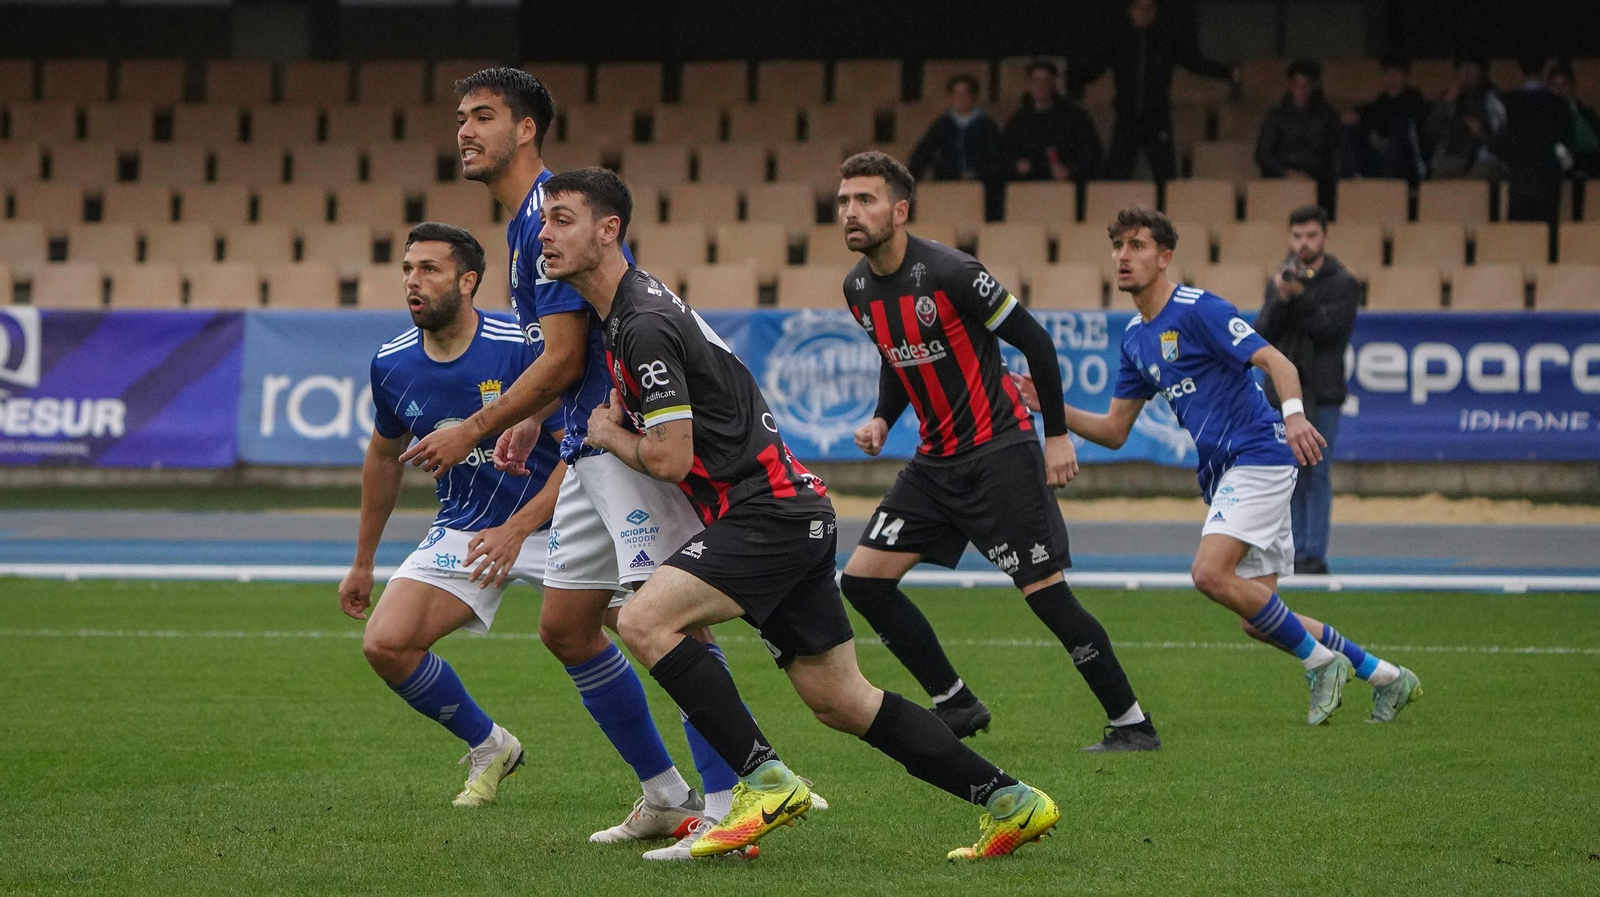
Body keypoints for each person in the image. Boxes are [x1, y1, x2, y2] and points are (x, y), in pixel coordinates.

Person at [541, 165, 1061, 861]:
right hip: (793, 511)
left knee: (642, 617)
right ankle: (1011, 799)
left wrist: (609, 437)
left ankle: (765, 780)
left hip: (768, 514)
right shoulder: (635, 314)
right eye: (544, 220)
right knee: (841, 698)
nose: (544, 234)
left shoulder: (642, 322)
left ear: (609, 231)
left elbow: (669, 457)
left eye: (562, 219)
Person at [395, 67, 754, 857]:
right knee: (567, 625)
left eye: (483, 116)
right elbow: (566, 352)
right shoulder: (529, 220)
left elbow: (564, 358)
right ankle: (666, 796)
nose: (464, 130)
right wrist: (537, 421)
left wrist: (481, 426)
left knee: (669, 620)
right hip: (586, 441)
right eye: (460, 116)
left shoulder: (547, 216)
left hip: (620, 442)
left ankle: (735, 801)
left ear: (526, 130)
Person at [1015, 207, 1421, 726]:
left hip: (1260, 453)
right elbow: (1116, 431)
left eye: (1136, 245)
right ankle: (1388, 676)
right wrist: (1049, 407)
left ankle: (1322, 664)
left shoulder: (1198, 309)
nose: (1122, 256)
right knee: (1259, 618)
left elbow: (1279, 362)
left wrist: (1294, 417)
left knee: (1208, 573)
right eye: (1117, 245)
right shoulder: (1136, 339)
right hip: (1226, 470)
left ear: (1164, 258)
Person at [830, 151, 1157, 752]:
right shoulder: (857, 288)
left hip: (998, 455)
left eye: (866, 200)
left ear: (900, 210)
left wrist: (1055, 433)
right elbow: (895, 354)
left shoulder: (953, 272)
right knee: (863, 582)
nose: (851, 211)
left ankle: (1133, 723)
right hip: (933, 466)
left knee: (1047, 596)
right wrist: (882, 417)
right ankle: (955, 702)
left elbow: (1036, 341)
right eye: (845, 200)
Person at [339, 223, 562, 808]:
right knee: (386, 643)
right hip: (468, 527)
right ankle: (491, 746)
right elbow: (383, 457)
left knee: (661, 631)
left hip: (564, 519)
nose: (413, 281)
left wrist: (521, 528)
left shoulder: (524, 343)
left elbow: (581, 447)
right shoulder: (390, 364)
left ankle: (751, 769)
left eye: (429, 269)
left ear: (468, 281)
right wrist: (363, 563)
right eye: (408, 269)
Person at [1255, 206, 1359, 575]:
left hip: (1324, 391)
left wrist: (1299, 298)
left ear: (1324, 237)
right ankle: (1293, 552)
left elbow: (1331, 333)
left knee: (1317, 471)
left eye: (1311, 235)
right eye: (1297, 236)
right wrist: (1283, 297)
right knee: (1290, 473)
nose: (1304, 243)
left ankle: (1314, 554)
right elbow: (1263, 334)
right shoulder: (1281, 277)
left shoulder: (1343, 282)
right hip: (1284, 393)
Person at [1069, 0, 1239, 181]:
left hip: (1157, 118)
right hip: (1127, 118)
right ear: (1131, 11)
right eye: (1139, 8)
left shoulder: (1166, 41)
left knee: (1165, 175)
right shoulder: (1119, 41)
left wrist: (1228, 72)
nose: (1144, 12)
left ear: (1156, 11)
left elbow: (1195, 63)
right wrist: (1072, 84)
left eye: (1149, 8)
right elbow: (1094, 66)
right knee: (1116, 175)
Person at [907, 73, 1006, 220]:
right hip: (947, 185)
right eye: (956, 94)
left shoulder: (986, 125)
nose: (960, 98)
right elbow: (922, 155)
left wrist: (977, 173)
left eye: (965, 94)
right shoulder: (942, 125)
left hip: (981, 188)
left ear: (973, 97)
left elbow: (997, 160)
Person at [1255, 60, 1341, 213]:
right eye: (1296, 84)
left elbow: (1335, 152)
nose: (1301, 90)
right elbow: (1262, 155)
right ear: (1289, 85)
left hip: (1317, 182)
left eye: (1306, 85)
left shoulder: (1327, 115)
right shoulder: (1276, 116)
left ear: (1314, 87)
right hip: (1282, 178)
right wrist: (1287, 173)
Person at [1495, 58, 1574, 224]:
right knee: (1544, 239)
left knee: (1520, 238)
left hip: (1519, 180)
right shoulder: (1559, 104)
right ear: (1545, 70)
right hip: (1547, 182)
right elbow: (1566, 146)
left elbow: (1500, 144)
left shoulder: (1507, 101)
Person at [1003, 60, 1102, 184]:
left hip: (1066, 188)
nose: (1041, 86)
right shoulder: (1019, 120)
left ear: (1054, 82)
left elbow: (1091, 154)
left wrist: (1070, 170)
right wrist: (1016, 165)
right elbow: (1005, 154)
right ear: (1029, 84)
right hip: (1027, 188)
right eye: (1036, 81)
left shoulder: (1075, 117)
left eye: (1046, 80)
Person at [1340, 56, 1430, 182]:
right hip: (1380, 160)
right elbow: (1370, 113)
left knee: (1399, 126)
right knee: (1351, 126)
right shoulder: (1379, 103)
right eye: (1387, 74)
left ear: (1406, 76)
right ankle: (1354, 179)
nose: (1391, 79)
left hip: (1407, 167)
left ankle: (1389, 182)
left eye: (1396, 74)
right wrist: (1356, 115)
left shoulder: (1415, 103)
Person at [1424, 57, 1506, 180]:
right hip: (1455, 156)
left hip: (1486, 156)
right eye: (1463, 71)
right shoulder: (1450, 98)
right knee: (1439, 177)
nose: (1467, 76)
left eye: (1472, 71)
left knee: (1476, 177)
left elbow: (1502, 136)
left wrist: (1482, 131)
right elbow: (1430, 131)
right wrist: (1446, 104)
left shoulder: (1491, 98)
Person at [1548, 65, 1600, 179]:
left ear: (1572, 86)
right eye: (1556, 85)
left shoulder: (1586, 115)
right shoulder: (1542, 117)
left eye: (1564, 84)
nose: (1560, 90)